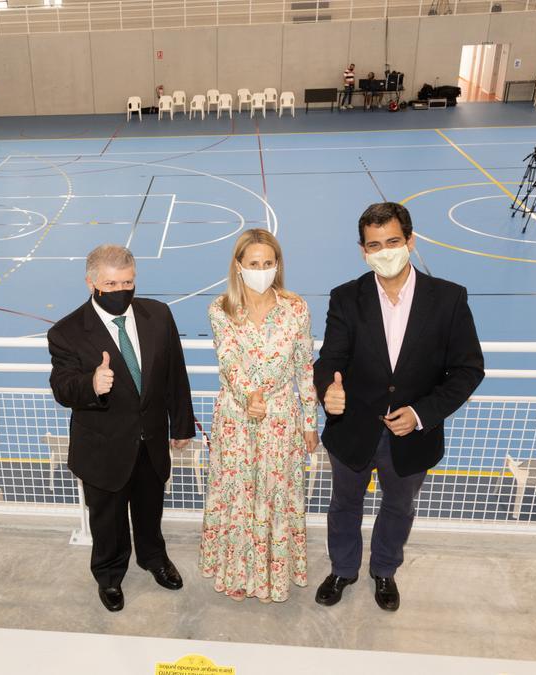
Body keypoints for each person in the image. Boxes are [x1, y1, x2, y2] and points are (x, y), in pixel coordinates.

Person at [314, 202, 484, 612]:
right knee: (343, 505)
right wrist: (326, 391)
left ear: (410, 240)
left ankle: (384, 570)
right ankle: (343, 569)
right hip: (353, 429)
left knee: (398, 506)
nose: (385, 251)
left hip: (413, 434)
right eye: (374, 244)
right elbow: (329, 361)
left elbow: (468, 369)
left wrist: (422, 413)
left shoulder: (448, 299)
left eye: (393, 241)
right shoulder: (345, 298)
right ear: (363, 250)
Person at [48, 244, 196, 612]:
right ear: (91, 282)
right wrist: (91, 385)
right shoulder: (66, 332)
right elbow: (62, 386)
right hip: (103, 449)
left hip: (151, 440)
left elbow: (175, 373)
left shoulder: (158, 315)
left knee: (150, 510)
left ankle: (154, 559)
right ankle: (109, 575)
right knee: (108, 521)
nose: (120, 291)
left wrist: (180, 424)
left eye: (127, 282)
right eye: (111, 284)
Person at [199, 230, 317, 603]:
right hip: (236, 419)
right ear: (239, 266)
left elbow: (304, 368)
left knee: (276, 496)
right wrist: (249, 394)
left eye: (269, 263)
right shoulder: (221, 309)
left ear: (277, 265)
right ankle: (238, 575)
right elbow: (229, 358)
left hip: (282, 419)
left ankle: (269, 579)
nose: (262, 270)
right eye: (254, 264)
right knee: (237, 496)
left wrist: (311, 422)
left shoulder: (296, 308)